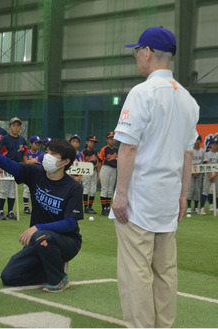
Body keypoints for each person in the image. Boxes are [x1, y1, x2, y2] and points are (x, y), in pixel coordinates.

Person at [109, 26, 199, 328]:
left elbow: (128, 146)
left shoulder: (142, 92)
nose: (137, 56)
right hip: (167, 200)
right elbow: (188, 154)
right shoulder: (188, 100)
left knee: (136, 273)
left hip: (139, 202)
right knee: (165, 273)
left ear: (147, 52)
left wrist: (120, 193)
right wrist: (183, 195)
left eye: (138, 51)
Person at [0, 135, 83, 292]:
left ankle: (59, 279)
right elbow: (10, 166)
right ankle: (53, 268)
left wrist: (37, 227)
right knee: (9, 276)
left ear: (65, 161)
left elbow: (70, 223)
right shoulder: (36, 173)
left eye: (53, 154)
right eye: (47, 151)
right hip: (40, 240)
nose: (47, 156)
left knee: (42, 236)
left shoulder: (73, 188)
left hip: (67, 241)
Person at [0, 117, 28, 220]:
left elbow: (24, 154)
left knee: (13, 190)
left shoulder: (22, 140)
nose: (16, 127)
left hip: (17, 165)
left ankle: (10, 211)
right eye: (14, 125)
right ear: (10, 126)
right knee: (4, 189)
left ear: (20, 127)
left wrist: (26, 164)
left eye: (18, 125)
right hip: (6, 164)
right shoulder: (5, 138)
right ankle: (0, 211)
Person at [98, 132, 118, 215]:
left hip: (114, 169)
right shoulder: (104, 149)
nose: (112, 140)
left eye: (113, 138)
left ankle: (107, 208)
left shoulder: (117, 149)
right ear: (107, 140)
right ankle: (103, 209)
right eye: (110, 138)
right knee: (104, 189)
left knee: (110, 190)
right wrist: (99, 174)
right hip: (105, 168)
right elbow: (99, 162)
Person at [23, 135, 42, 214]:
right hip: (28, 174)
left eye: (38, 144)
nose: (37, 145)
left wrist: (31, 161)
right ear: (30, 144)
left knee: (37, 191)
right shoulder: (27, 153)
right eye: (35, 143)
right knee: (27, 190)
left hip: (37, 174)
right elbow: (26, 162)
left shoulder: (41, 154)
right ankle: (26, 207)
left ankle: (36, 207)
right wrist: (34, 161)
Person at [199, 136, 218, 215]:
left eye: (216, 144)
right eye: (214, 144)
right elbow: (207, 163)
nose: (215, 145)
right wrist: (211, 175)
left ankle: (216, 208)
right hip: (208, 174)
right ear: (211, 145)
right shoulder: (207, 154)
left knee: (217, 191)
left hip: (217, 174)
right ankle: (202, 208)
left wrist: (214, 175)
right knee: (205, 191)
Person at [186, 135, 205, 215]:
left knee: (197, 190)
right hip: (190, 172)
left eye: (198, 140)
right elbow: (187, 161)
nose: (197, 141)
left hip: (199, 172)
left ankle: (196, 207)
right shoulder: (190, 150)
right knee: (190, 189)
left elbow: (204, 162)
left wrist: (199, 172)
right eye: (195, 140)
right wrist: (191, 171)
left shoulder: (203, 151)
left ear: (201, 141)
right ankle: (189, 207)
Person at [81, 135, 100, 214]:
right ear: (87, 142)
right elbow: (81, 163)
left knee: (93, 189)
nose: (92, 144)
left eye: (94, 142)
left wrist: (95, 166)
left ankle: (90, 207)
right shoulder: (83, 152)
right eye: (91, 142)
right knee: (86, 188)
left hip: (94, 171)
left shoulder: (96, 152)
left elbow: (98, 162)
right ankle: (86, 208)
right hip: (86, 171)